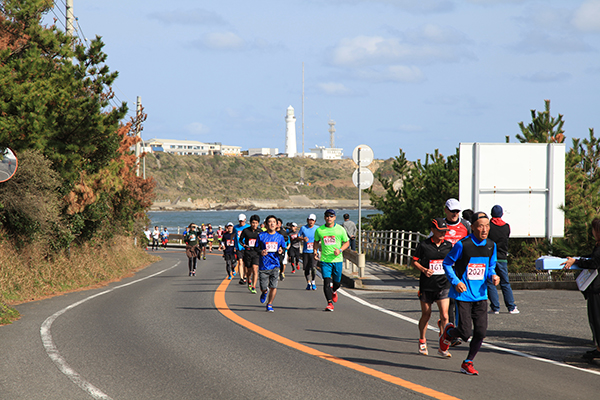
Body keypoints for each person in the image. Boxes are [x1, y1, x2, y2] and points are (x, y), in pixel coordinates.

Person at [440, 212, 500, 375]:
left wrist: (493, 276)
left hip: (481, 295)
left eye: (487, 226)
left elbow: (490, 267)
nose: (484, 229)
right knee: (465, 333)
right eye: (480, 226)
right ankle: (448, 332)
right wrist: (456, 282)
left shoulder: (491, 245)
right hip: (463, 295)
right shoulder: (462, 245)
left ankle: (468, 362)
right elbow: (447, 263)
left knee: (481, 332)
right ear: (472, 227)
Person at [412, 218, 453, 357]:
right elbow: (414, 261)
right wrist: (424, 270)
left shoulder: (449, 245)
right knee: (426, 314)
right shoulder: (424, 245)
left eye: (445, 231)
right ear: (433, 230)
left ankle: (442, 345)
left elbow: (453, 261)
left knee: (445, 315)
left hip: (444, 284)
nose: (443, 233)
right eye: (440, 231)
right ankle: (422, 340)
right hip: (427, 285)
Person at [561, 217, 600, 361]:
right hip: (595, 288)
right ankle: (598, 348)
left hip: (597, 289)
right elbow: (592, 258)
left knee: (597, 318)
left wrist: (577, 261)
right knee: (595, 319)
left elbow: (595, 262)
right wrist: (577, 259)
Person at [442, 198, 472, 339]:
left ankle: (460, 328)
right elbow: (431, 242)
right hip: (446, 267)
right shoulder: (440, 225)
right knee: (450, 301)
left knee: (461, 298)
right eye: (452, 211)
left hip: (462, 268)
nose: (455, 214)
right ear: (446, 210)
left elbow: (474, 242)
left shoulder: (466, 225)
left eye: (457, 211)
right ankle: (450, 328)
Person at [314, 209, 349, 312]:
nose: (329, 218)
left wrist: (340, 250)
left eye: (331, 216)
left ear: (334, 217)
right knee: (326, 281)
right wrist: (315, 251)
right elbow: (316, 242)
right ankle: (329, 303)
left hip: (337, 260)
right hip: (325, 260)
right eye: (327, 216)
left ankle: (334, 290)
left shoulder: (340, 229)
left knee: (337, 283)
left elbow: (347, 242)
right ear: (325, 217)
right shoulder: (320, 230)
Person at [487, 205, 519, 314]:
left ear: (491, 214)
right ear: (502, 214)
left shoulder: (489, 226)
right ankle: (511, 307)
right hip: (502, 257)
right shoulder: (506, 227)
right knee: (505, 283)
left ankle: (495, 307)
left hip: (490, 257)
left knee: (491, 282)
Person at [257, 215, 286, 312]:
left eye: (274, 221)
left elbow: (283, 248)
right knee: (263, 287)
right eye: (270, 222)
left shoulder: (280, 237)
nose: (272, 223)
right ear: (266, 224)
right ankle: (264, 292)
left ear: (277, 224)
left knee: (273, 286)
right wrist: (261, 252)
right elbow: (256, 248)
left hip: (275, 265)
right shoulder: (261, 236)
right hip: (264, 266)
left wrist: (282, 250)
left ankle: (270, 304)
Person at [240, 215, 261, 294]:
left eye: (256, 223)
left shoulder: (260, 231)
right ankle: (249, 280)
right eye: (253, 223)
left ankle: (254, 286)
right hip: (248, 252)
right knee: (249, 271)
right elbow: (240, 240)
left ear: (258, 223)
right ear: (250, 223)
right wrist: (244, 245)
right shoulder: (246, 231)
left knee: (255, 269)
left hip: (256, 253)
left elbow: (263, 241)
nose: (254, 225)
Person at [299, 213, 319, 290]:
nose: (311, 221)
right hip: (306, 252)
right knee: (306, 269)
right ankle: (308, 282)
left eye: (312, 220)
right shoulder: (303, 228)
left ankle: (313, 281)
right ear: (307, 220)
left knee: (314, 268)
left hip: (314, 252)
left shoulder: (317, 228)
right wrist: (303, 239)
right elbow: (298, 237)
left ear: (315, 221)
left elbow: (321, 237)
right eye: (310, 220)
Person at [233, 214, 250, 285]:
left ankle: (245, 276)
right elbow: (234, 236)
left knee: (246, 264)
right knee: (240, 262)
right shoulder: (235, 227)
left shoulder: (248, 227)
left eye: (242, 221)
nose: (241, 222)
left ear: (245, 220)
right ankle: (241, 278)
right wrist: (234, 245)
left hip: (246, 247)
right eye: (240, 221)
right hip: (239, 247)